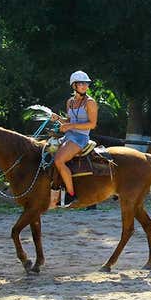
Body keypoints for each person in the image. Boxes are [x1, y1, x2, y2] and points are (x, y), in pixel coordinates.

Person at [50, 70, 98, 207]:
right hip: (69, 136)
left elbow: (92, 124)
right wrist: (58, 119)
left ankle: (71, 195)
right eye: (81, 83)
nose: (85, 86)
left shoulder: (90, 102)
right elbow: (69, 120)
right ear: (74, 85)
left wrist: (70, 126)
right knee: (47, 152)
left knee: (59, 160)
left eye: (86, 83)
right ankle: (56, 188)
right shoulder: (70, 102)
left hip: (81, 138)